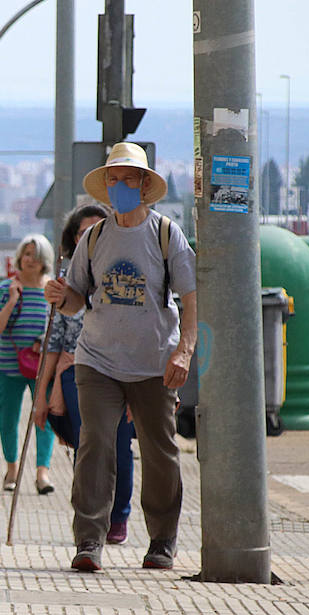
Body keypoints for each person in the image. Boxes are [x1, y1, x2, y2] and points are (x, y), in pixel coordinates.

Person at [43, 142, 196, 573]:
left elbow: (190, 296)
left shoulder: (166, 234)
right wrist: (61, 297)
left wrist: (184, 350)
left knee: (159, 450)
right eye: (114, 178)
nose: (121, 185)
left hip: (154, 362)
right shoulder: (93, 238)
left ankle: (162, 541)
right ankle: (88, 541)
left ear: (144, 185)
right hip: (97, 360)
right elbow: (76, 302)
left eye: (129, 178)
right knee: (94, 446)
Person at [33, 203, 136, 543]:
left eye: (100, 228)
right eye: (84, 232)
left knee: (120, 446)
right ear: (74, 239)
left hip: (124, 371)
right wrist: (41, 396)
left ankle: (118, 517)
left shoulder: (130, 269)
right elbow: (54, 342)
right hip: (77, 373)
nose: (92, 237)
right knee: (89, 449)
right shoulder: (66, 282)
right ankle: (90, 523)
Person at [0, 234, 56, 495]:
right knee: (8, 417)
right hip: (9, 364)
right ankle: (12, 468)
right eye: (27, 254)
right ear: (19, 257)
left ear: (46, 261)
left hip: (43, 366)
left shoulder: (52, 289)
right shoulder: (7, 287)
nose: (31, 260)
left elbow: (60, 325)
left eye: (37, 255)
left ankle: (43, 471)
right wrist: (11, 301)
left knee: (45, 417)